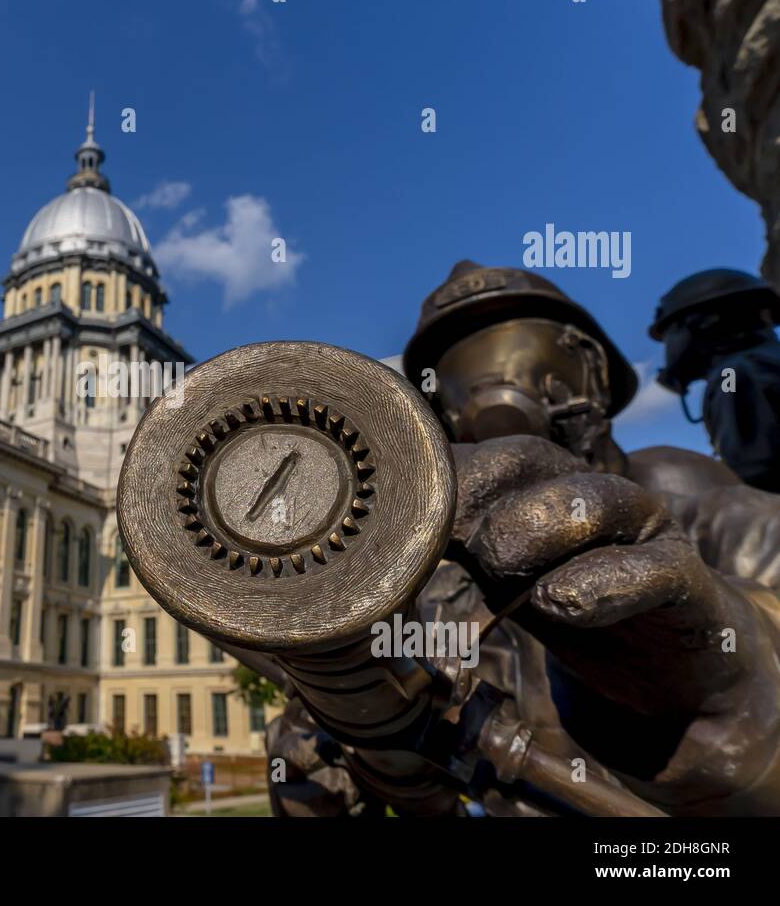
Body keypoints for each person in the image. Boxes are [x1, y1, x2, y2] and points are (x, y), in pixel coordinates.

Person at [265, 260, 780, 816]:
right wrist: (347, 723)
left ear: (592, 373)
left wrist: (732, 692)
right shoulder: (432, 605)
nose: (491, 402)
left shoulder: (732, 524)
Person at [649, 268, 780, 493]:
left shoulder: (733, 376)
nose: (669, 347)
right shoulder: (762, 365)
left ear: (704, 323)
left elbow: (754, 474)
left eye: (671, 332)